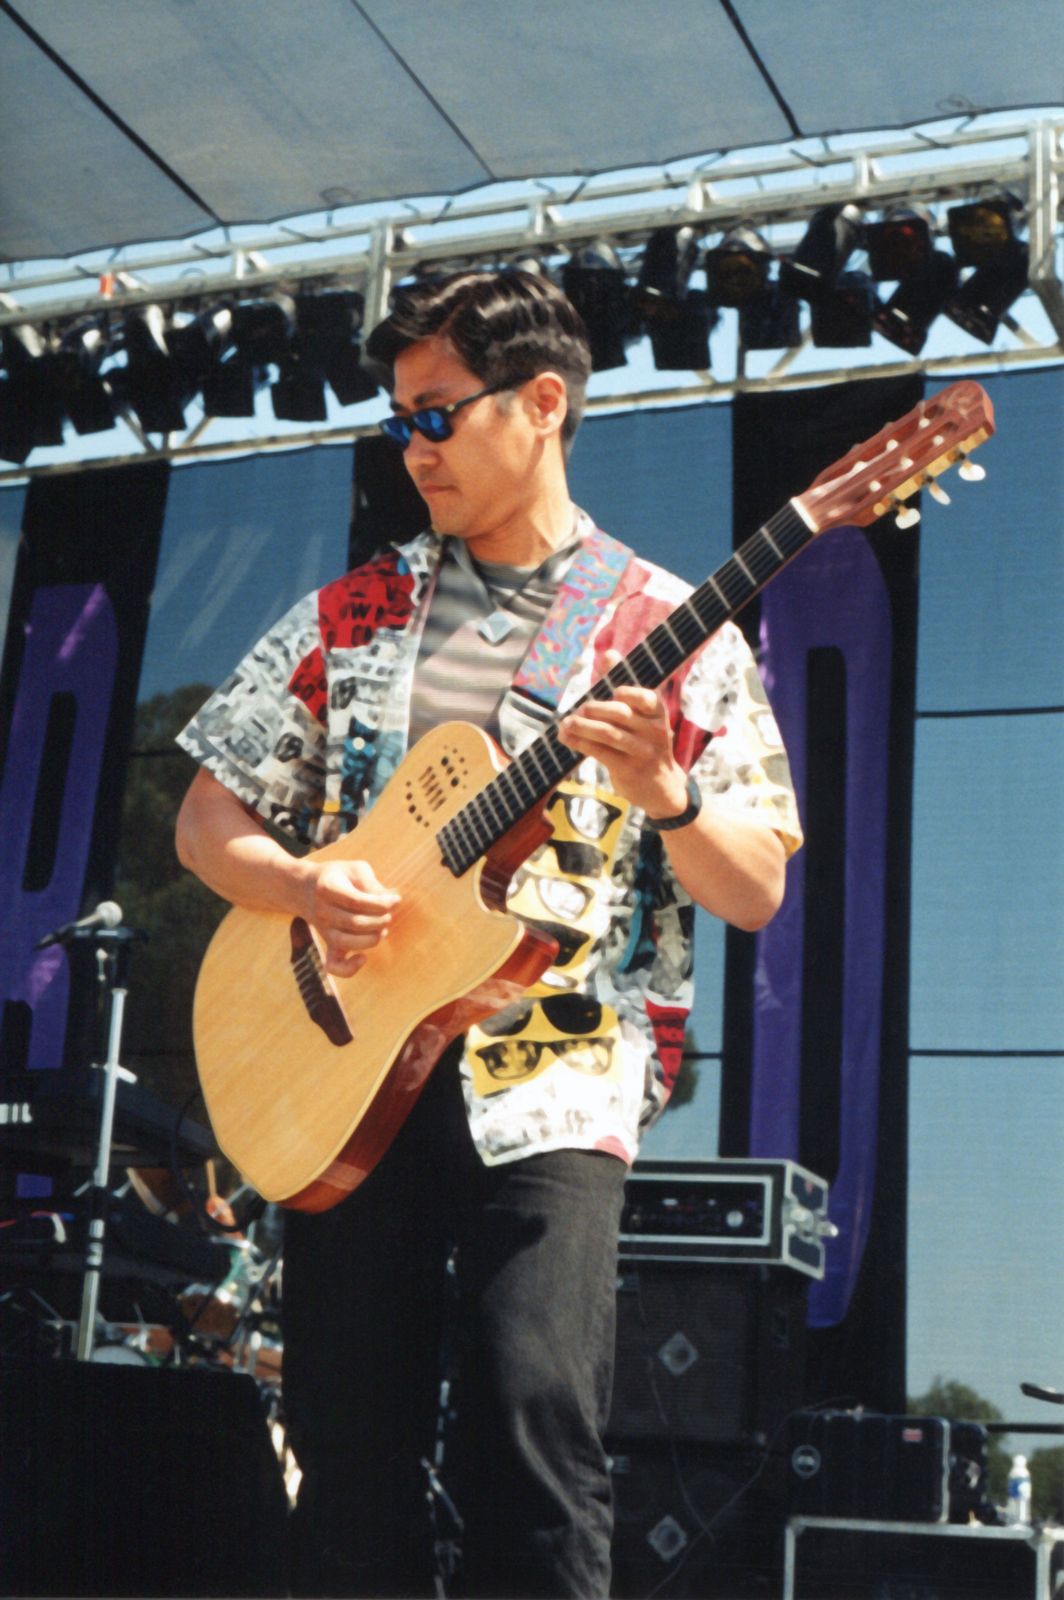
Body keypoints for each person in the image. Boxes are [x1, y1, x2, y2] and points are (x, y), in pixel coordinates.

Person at [174, 269, 802, 1599]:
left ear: (543, 403)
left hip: (556, 1071)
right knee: (349, 1442)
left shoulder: (666, 629)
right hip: (348, 1069)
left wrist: (666, 792)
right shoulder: (349, 613)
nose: (413, 448)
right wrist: (301, 886)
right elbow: (206, 821)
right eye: (398, 421)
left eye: (438, 414)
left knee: (533, 1418)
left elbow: (753, 888)